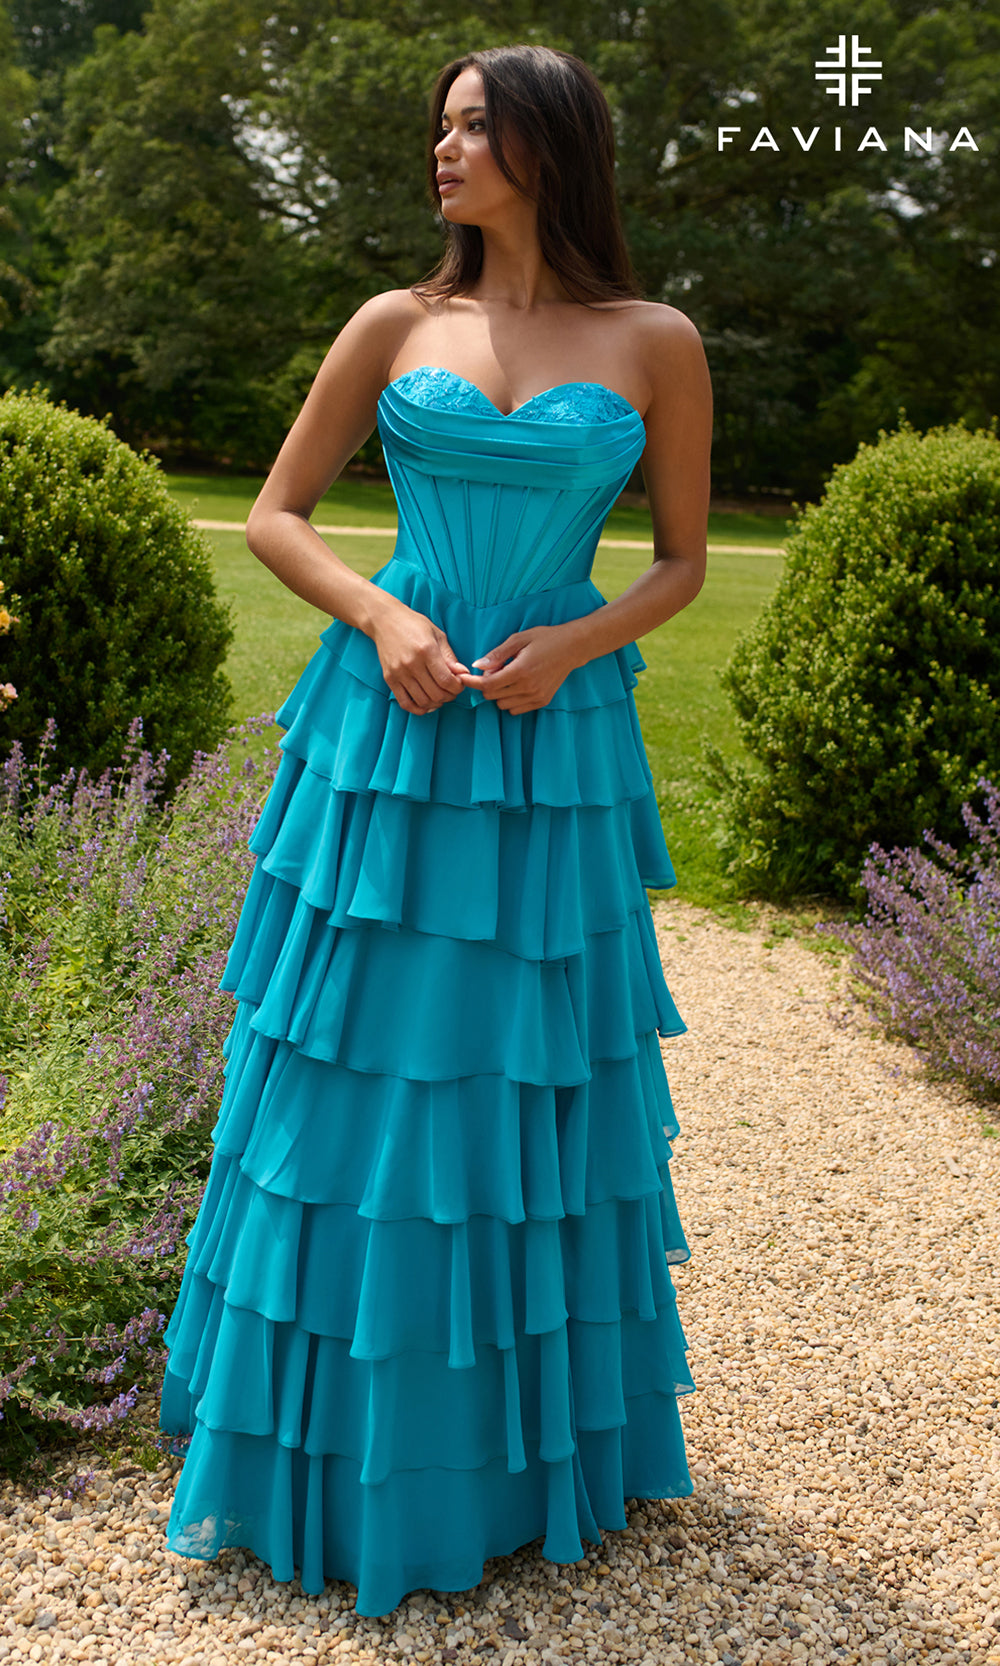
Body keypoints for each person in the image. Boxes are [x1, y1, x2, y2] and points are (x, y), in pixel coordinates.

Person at [158, 42, 713, 1619]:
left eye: (476, 126)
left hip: (553, 737)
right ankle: (314, 1449)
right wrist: (385, 610)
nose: (446, 150)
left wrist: (581, 643)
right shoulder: (395, 324)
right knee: (356, 1067)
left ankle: (504, 1458)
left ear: (551, 145)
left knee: (521, 1065)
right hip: (385, 733)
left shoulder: (654, 339)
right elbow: (278, 511)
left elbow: (677, 559)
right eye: (441, 127)